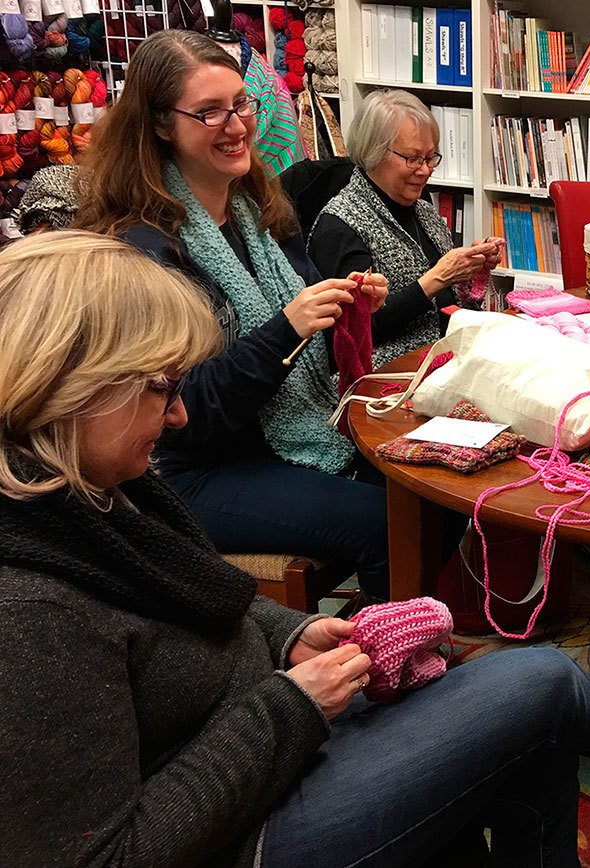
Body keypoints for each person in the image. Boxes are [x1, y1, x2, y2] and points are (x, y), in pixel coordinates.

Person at [0, 231, 590, 868]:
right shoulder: (28, 614)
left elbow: (201, 601)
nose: (176, 414)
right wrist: (290, 706)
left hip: (261, 752)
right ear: (70, 388)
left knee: (530, 733)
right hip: (245, 833)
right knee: (539, 682)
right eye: (158, 386)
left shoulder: (97, 492)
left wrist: (291, 633)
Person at [75, 30, 394, 600]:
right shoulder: (143, 250)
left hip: (282, 435)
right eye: (209, 112)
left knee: (417, 484)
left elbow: (298, 304)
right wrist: (288, 327)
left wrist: (341, 300)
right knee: (386, 521)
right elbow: (184, 410)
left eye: (240, 103)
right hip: (193, 472)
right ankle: (376, 667)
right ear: (158, 124)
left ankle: (395, 641)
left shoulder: (262, 211)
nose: (238, 126)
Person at [308, 88, 504, 366]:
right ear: (373, 152)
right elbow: (353, 334)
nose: (424, 170)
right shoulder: (339, 225)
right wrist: (437, 278)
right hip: (384, 375)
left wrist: (469, 271)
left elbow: (447, 303)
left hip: (440, 357)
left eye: (430, 158)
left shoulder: (423, 211)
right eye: (412, 158)